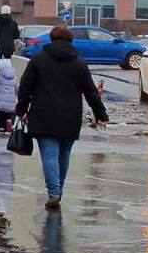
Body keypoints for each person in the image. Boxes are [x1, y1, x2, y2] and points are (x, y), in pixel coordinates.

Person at [15, 26, 109, 209]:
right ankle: (59, 190)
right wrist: (100, 114)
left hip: (43, 114)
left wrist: (21, 109)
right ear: (70, 41)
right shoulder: (79, 63)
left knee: (49, 154)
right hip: (70, 116)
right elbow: (90, 91)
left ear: (51, 39)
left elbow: (25, 87)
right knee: (64, 154)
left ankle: (54, 192)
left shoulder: (38, 60)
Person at [0, 57, 18, 133]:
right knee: (12, 113)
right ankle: (10, 121)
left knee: (0, 114)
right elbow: (17, 88)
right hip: (10, 101)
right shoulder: (14, 77)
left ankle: (1, 127)